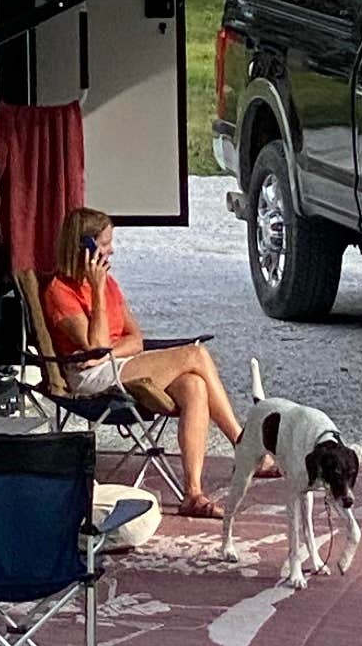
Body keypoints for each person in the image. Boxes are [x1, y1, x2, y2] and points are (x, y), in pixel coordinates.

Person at [41, 205, 242, 514]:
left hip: (112, 365)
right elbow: (94, 346)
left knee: (193, 385)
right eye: (105, 243)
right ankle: (242, 444)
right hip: (87, 376)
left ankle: (193, 493)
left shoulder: (109, 283)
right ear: (85, 246)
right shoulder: (60, 291)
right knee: (196, 353)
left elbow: (135, 339)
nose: (112, 250)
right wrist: (95, 292)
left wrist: (111, 350)